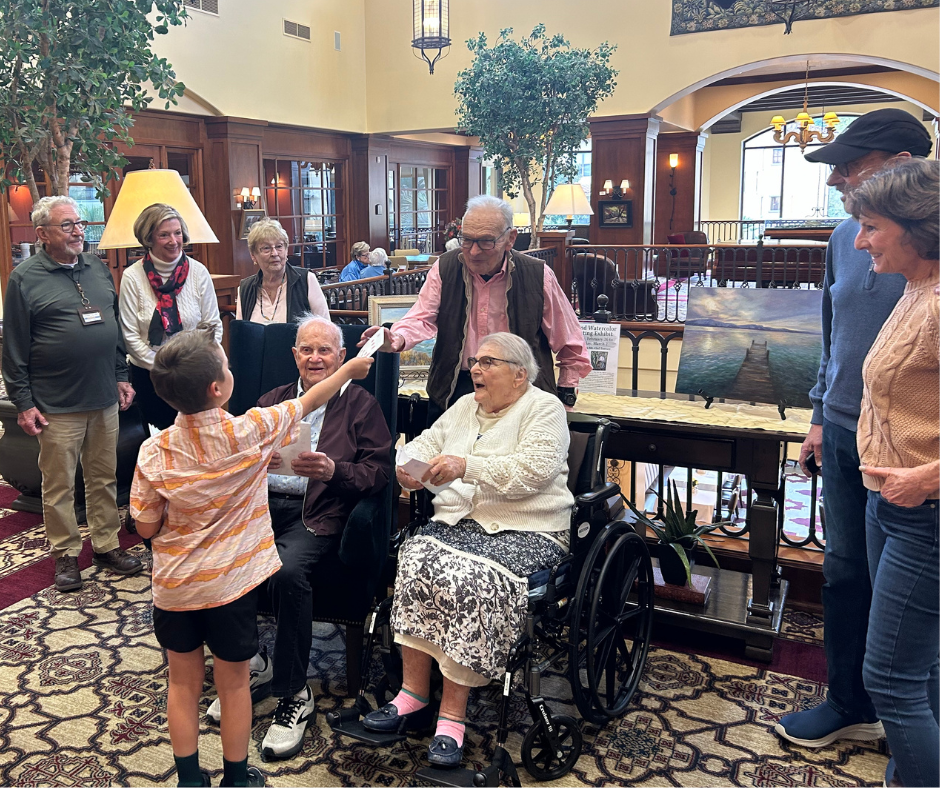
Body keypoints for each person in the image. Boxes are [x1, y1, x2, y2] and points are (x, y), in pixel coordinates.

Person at [130, 325, 372, 788]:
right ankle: (237, 777)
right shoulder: (249, 430)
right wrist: (349, 370)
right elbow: (309, 401)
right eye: (226, 364)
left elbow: (144, 525)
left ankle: (188, 779)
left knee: (181, 685)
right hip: (230, 588)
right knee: (234, 684)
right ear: (219, 388)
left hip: (175, 588)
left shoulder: (152, 450)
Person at [775, 107, 933, 749]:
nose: (837, 179)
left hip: (918, 451)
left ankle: (914, 717)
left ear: (903, 167)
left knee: (916, 577)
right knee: (845, 572)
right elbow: (830, 334)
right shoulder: (848, 237)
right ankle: (850, 699)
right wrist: (817, 415)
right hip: (843, 431)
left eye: (851, 166)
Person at [361, 333, 573, 769]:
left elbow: (532, 472)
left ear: (519, 374)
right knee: (416, 559)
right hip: (459, 523)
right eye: (475, 360)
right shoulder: (463, 407)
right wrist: (409, 467)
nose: (476, 369)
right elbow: (425, 442)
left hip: (527, 530)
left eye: (488, 362)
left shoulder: (543, 408)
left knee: (469, 578)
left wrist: (466, 466)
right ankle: (413, 694)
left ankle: (452, 718)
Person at [202, 315, 392, 761]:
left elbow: (381, 472)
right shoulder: (274, 400)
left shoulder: (361, 405)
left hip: (319, 513)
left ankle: (293, 692)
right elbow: (243, 452)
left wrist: (334, 471)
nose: (315, 357)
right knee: (221, 555)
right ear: (294, 356)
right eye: (306, 349)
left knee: (287, 572)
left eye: (324, 350)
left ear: (342, 357)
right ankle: (254, 665)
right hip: (263, 508)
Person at [849, 158, 939, 788]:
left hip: (923, 512)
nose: (860, 242)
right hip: (890, 502)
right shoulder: (915, 289)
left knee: (889, 679)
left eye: (872, 227)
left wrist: (928, 479)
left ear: (919, 228)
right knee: (923, 667)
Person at [2, 196, 142, 592]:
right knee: (60, 483)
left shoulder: (97, 268)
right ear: (42, 234)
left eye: (79, 223)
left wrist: (120, 375)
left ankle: (105, 545)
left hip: (103, 396)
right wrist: (23, 403)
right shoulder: (25, 278)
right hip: (55, 403)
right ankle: (65, 553)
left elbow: (112, 329)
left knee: (103, 476)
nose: (78, 231)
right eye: (67, 225)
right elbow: (13, 349)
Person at [360, 195, 590, 421]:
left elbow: (570, 343)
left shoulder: (538, 275)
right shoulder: (446, 267)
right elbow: (421, 318)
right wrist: (397, 338)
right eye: (467, 240)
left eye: (486, 241)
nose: (473, 251)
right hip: (455, 387)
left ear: (510, 238)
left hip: (520, 391)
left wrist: (566, 394)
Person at [118, 203, 222, 430]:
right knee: (161, 444)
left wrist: (191, 367)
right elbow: (130, 336)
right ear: (148, 239)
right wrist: (165, 368)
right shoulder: (132, 277)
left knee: (199, 441)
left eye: (177, 233)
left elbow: (212, 326)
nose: (174, 241)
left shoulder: (198, 272)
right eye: (164, 235)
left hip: (195, 376)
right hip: (150, 377)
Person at [236, 219, 330, 324]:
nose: (274, 253)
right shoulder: (245, 288)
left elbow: (325, 327)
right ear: (253, 256)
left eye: (279, 246)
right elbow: (242, 333)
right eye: (266, 248)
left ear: (286, 250)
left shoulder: (306, 280)